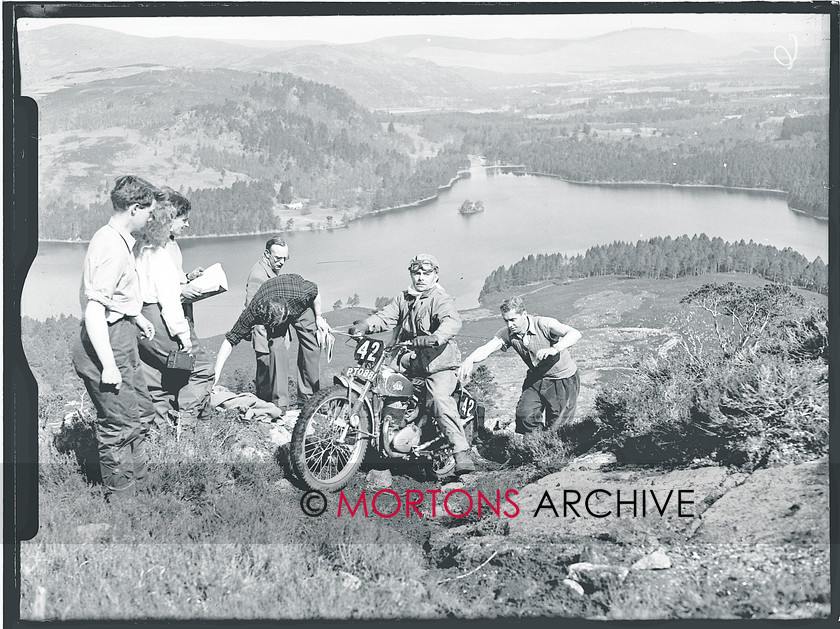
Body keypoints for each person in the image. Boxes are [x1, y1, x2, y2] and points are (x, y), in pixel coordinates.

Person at [71, 174, 159, 498]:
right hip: (105, 344)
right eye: (148, 211)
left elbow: (113, 297)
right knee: (119, 424)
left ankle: (142, 487)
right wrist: (109, 365)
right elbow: (95, 310)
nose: (151, 217)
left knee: (140, 413)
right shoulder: (111, 247)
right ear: (134, 208)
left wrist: (135, 316)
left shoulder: (117, 240)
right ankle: (123, 504)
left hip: (120, 335)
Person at [348, 254, 475, 474]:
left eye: (426, 273)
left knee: (437, 397)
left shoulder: (440, 298)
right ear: (411, 274)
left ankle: (461, 452)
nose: (421, 278)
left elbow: (452, 321)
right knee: (384, 383)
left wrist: (436, 337)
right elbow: (386, 316)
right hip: (409, 360)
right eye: (417, 273)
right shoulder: (404, 298)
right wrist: (366, 326)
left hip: (438, 363)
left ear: (435, 275)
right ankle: (385, 436)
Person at [134, 196, 214, 434]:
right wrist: (184, 336)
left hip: (139, 322)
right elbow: (169, 302)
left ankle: (160, 434)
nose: (186, 225)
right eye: (183, 220)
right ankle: (184, 422)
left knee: (156, 379)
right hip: (160, 320)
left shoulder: (137, 248)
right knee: (202, 368)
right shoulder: (159, 256)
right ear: (167, 222)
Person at [458, 296, 582, 434]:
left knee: (558, 426)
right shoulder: (507, 333)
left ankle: (553, 448)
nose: (510, 325)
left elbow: (574, 333)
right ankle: (537, 445)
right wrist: (469, 359)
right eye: (506, 320)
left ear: (524, 314)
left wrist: (554, 349)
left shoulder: (544, 324)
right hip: (536, 378)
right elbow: (487, 348)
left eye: (513, 320)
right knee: (525, 415)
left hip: (563, 380)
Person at [214, 273, 330, 410]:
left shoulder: (300, 293)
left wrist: (319, 317)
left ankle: (309, 400)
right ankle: (280, 404)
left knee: (312, 343)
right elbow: (230, 339)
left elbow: (315, 291)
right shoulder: (253, 312)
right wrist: (215, 374)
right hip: (271, 302)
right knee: (276, 348)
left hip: (295, 301)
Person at [244, 237, 325, 409]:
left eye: (285, 258)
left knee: (272, 373)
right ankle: (272, 410)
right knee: (266, 376)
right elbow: (252, 308)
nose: (281, 262)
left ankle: (284, 405)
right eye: (277, 258)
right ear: (267, 254)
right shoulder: (258, 276)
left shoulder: (269, 269)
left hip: (273, 329)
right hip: (264, 334)